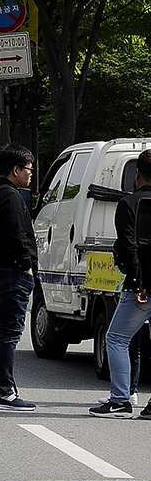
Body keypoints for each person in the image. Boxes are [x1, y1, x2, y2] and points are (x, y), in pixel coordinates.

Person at [93, 148, 151, 415]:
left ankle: (120, 399)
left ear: (137, 173)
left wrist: (138, 281)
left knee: (116, 338)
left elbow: (129, 247)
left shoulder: (129, 204)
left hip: (142, 285)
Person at [0, 142, 38, 409]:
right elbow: (17, 236)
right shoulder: (11, 197)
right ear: (15, 169)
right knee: (10, 333)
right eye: (28, 169)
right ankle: (4, 392)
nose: (31, 174)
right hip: (12, 272)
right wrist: (26, 265)